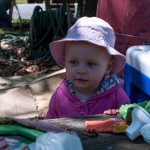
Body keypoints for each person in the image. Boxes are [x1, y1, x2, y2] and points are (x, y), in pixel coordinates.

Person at [46, 17, 130, 119]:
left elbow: (128, 121)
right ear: (65, 61)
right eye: (73, 62)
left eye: (91, 64)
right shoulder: (60, 95)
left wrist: (118, 116)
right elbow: (49, 123)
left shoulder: (116, 96)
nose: (81, 70)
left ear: (108, 67)